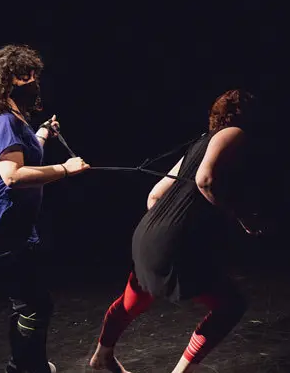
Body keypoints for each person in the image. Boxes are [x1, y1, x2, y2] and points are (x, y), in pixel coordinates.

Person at [89, 89, 260, 373]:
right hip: (169, 241)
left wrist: (161, 231)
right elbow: (205, 181)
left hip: (147, 233)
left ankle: (101, 356)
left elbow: (155, 195)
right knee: (230, 305)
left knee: (134, 298)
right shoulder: (234, 133)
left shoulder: (200, 143)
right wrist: (240, 217)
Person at [0, 44, 90, 373]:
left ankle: (24, 365)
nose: (34, 81)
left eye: (34, 75)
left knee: (30, 303)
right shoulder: (3, 121)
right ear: (9, 80)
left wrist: (42, 134)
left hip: (12, 228)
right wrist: (65, 169)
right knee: (35, 304)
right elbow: (12, 176)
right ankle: (25, 367)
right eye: (26, 76)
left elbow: (24, 153)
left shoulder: (15, 118)